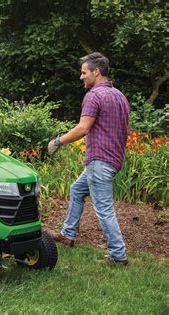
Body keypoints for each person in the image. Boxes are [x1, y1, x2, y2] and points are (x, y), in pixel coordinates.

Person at [47, 52, 130, 266]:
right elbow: (125, 130)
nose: (81, 77)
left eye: (84, 73)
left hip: (99, 160)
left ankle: (118, 256)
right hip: (112, 159)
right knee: (77, 190)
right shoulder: (120, 96)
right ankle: (68, 235)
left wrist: (58, 141)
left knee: (103, 208)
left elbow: (83, 128)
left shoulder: (94, 95)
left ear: (96, 71)